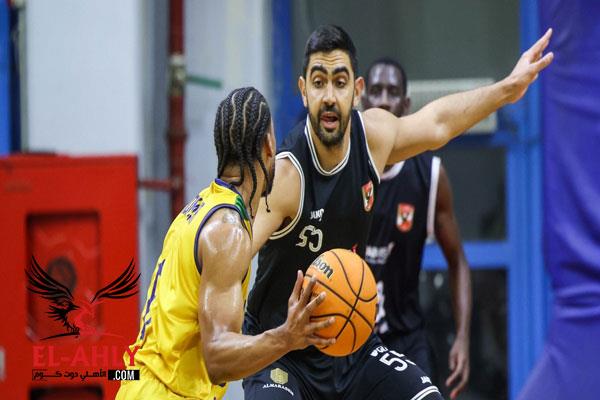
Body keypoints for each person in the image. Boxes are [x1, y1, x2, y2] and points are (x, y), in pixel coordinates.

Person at [243, 25, 553, 400]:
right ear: (303, 90)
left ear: (356, 91)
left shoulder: (373, 139)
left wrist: (507, 89)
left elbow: (438, 123)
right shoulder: (285, 176)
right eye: (319, 82)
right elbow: (233, 260)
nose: (329, 97)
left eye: (340, 82)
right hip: (283, 351)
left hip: (350, 347)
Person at [116, 87, 336, 400]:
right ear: (268, 144)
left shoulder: (199, 209)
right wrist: (286, 337)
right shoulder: (228, 232)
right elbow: (217, 357)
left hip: (141, 386)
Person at [362, 58, 471, 400]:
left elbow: (458, 261)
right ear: (363, 100)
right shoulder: (343, 170)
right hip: (347, 339)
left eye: (392, 92)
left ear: (406, 105)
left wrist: (462, 337)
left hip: (405, 338)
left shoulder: (429, 175)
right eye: (376, 90)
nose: (383, 100)